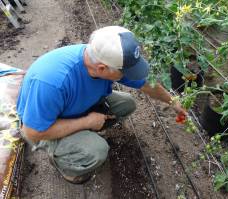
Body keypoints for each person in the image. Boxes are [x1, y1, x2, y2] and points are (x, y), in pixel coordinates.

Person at [17, 26, 187, 184]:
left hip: (76, 108)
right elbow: (31, 131)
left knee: (126, 103)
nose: (127, 75)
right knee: (97, 151)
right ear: (102, 68)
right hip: (43, 126)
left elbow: (145, 84)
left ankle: (83, 134)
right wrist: (86, 122)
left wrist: (174, 102)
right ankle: (63, 161)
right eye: (124, 72)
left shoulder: (104, 57)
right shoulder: (52, 82)